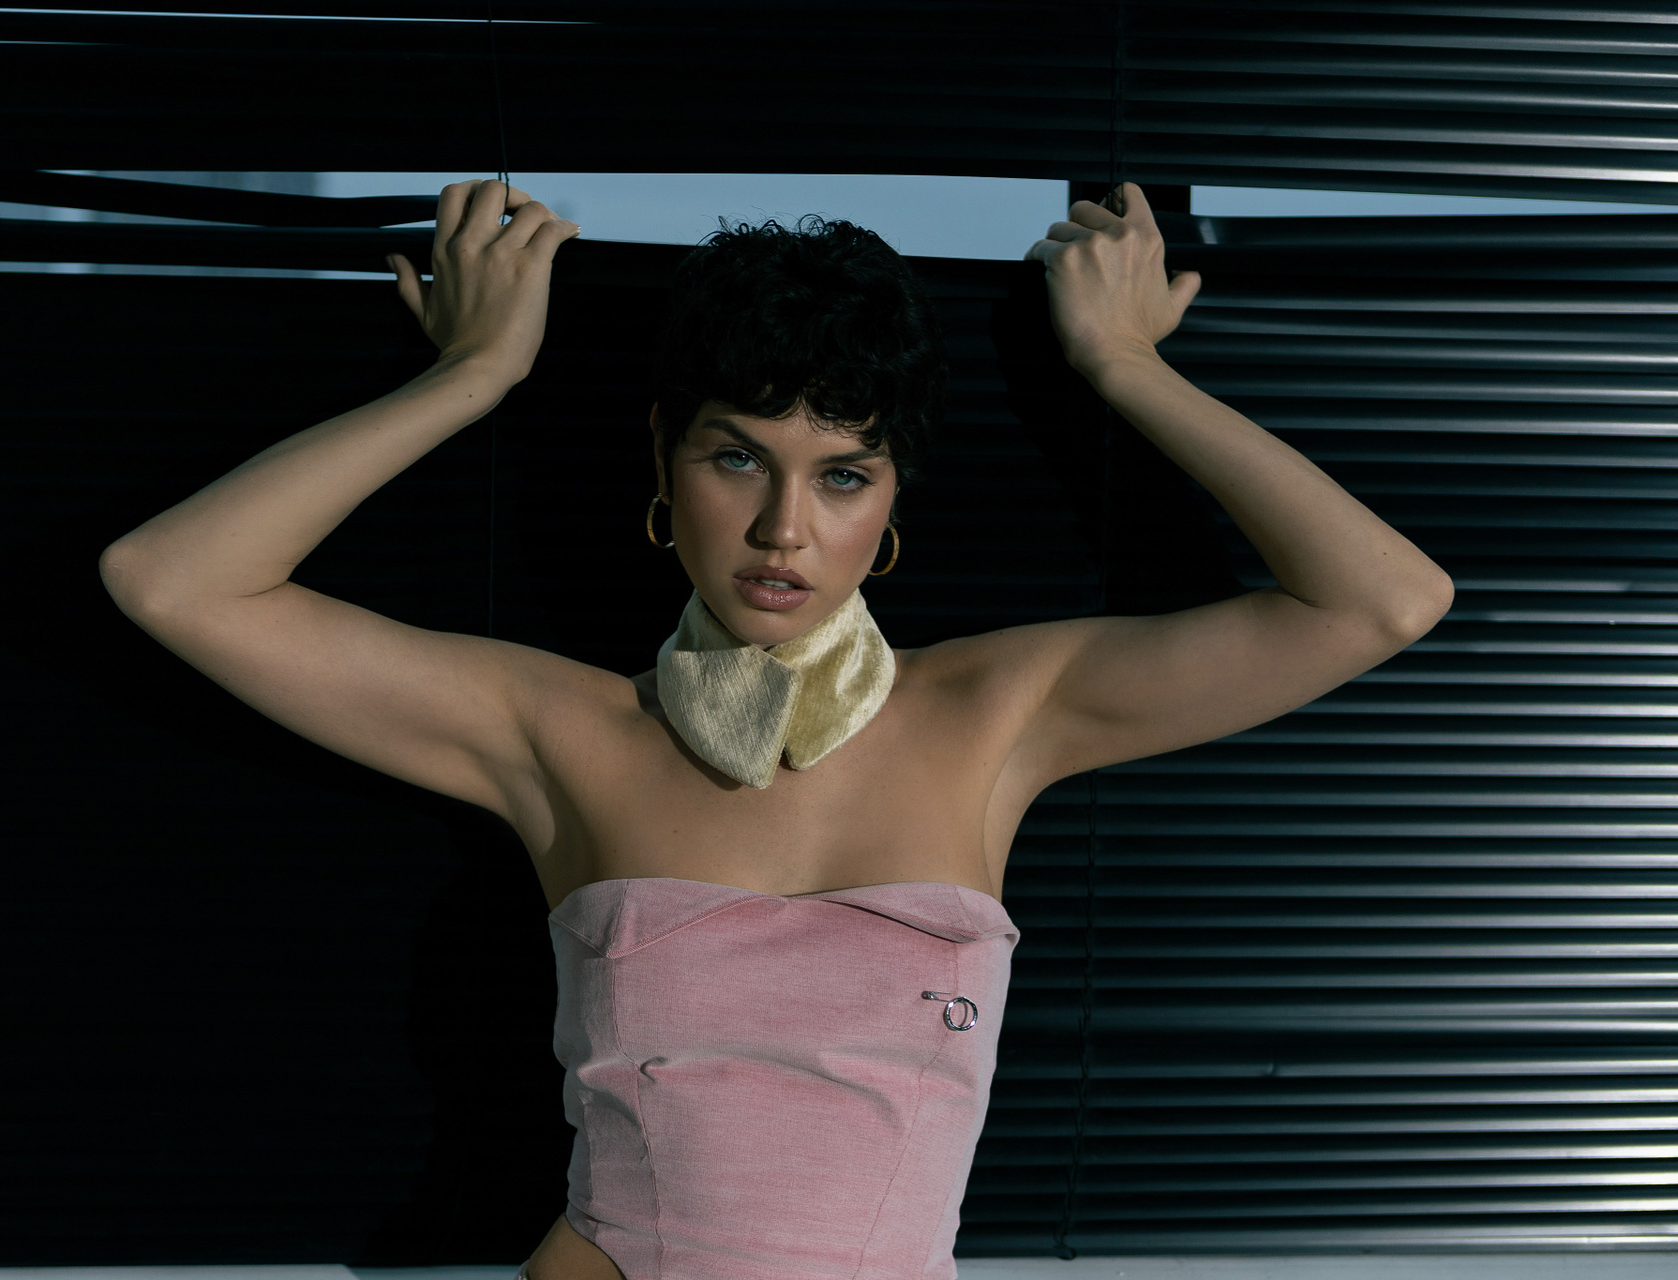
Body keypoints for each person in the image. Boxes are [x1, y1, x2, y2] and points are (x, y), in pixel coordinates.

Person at [98, 178, 1454, 1279]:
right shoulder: (560, 730)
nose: (782, 529)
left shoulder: (998, 713)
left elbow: (1384, 600)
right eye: (737, 456)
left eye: (843, 474)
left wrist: (1122, 363)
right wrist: (476, 371)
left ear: (893, 499)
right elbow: (172, 581)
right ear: (665, 461)